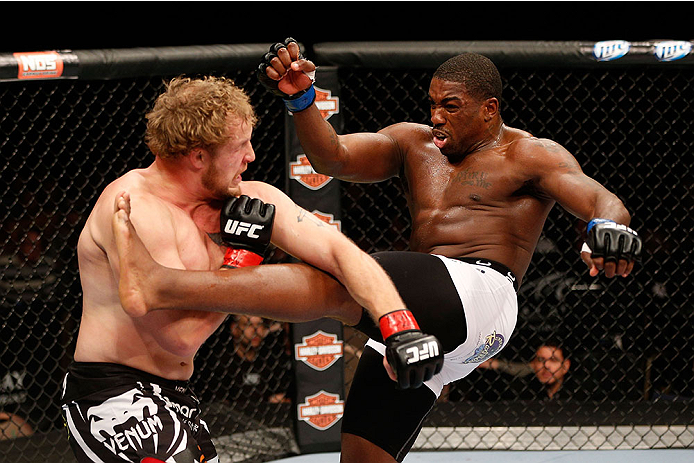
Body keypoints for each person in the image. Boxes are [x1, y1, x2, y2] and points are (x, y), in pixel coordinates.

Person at [110, 41, 642, 463]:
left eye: (450, 107)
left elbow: (599, 198)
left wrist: (608, 226)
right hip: (419, 318)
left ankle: (160, 284)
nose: (436, 116)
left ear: (489, 109)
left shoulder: (528, 153)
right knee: (363, 457)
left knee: (346, 272)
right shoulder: (411, 144)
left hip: (481, 297)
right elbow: (334, 156)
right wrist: (301, 100)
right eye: (432, 103)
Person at [61, 76, 442, 463]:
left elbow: (343, 254)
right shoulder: (137, 210)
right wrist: (240, 261)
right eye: (239, 146)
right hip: (111, 394)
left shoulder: (248, 197)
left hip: (177, 394)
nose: (252, 156)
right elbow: (179, 337)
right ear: (198, 156)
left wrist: (399, 325)